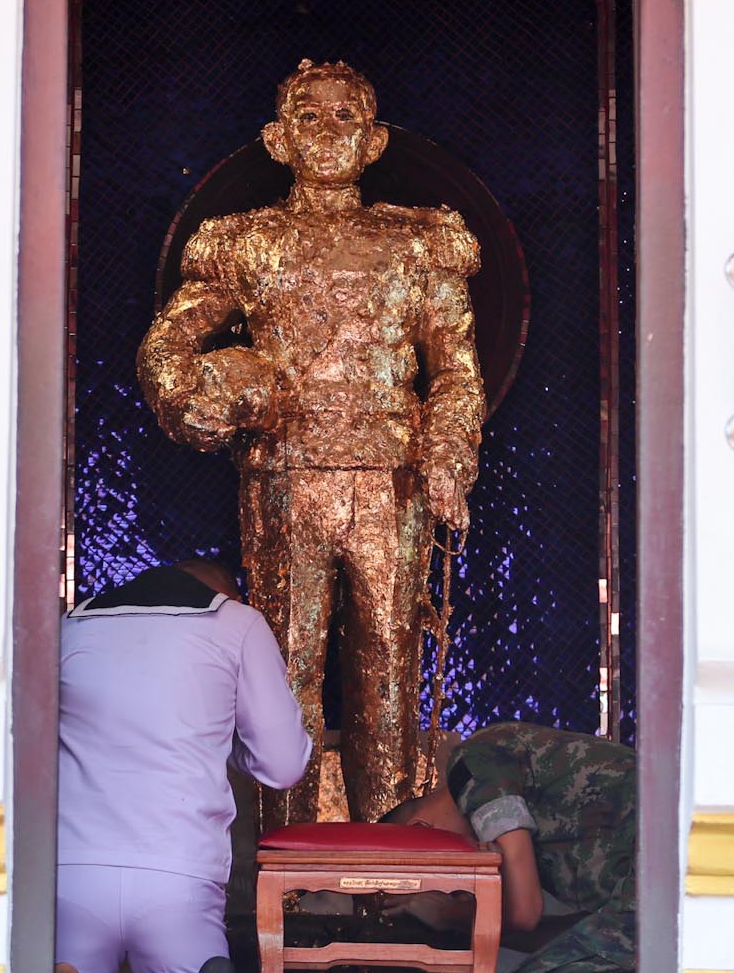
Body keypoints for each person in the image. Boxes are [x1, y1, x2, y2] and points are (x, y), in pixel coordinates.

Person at [138, 59, 485, 828]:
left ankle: (390, 876)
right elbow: (169, 346)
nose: (327, 133)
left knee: (388, 674)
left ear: (374, 140)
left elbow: (455, 371)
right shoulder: (246, 244)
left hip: (391, 480)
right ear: (277, 138)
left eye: (344, 119)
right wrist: (208, 396)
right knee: (283, 669)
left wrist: (449, 456)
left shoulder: (418, 245)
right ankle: (286, 869)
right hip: (283, 476)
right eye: (309, 117)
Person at [55, 558, 313, 973]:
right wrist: (218, 744)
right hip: (179, 876)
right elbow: (283, 763)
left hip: (73, 870)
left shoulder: (69, 626)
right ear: (224, 594)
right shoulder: (238, 623)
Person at [384, 722, 637, 973]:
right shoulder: (527, 842)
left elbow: (524, 914)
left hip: (663, 855)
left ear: (421, 830)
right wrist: (458, 921)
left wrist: (450, 914)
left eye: (434, 881)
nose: (451, 890)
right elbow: (576, 938)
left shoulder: (472, 766)